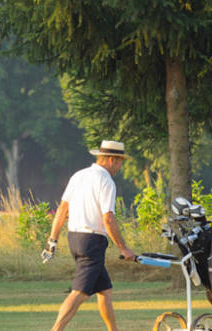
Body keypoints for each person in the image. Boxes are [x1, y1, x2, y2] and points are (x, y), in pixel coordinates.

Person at [44, 140, 136, 331]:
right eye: (119, 162)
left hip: (74, 238)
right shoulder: (106, 182)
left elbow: (62, 209)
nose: (120, 167)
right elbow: (108, 219)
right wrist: (123, 248)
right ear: (111, 160)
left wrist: (52, 240)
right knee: (79, 292)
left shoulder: (79, 176)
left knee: (105, 291)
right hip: (92, 241)